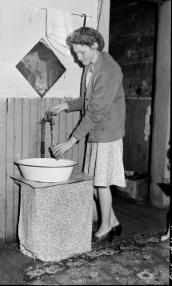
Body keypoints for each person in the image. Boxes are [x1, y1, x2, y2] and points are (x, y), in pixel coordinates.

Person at [48, 27, 126, 244]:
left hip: (108, 133)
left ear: (94, 47)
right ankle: (114, 222)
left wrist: (71, 140)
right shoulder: (91, 65)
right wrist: (66, 105)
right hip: (96, 131)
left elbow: (96, 110)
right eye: (75, 53)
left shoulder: (109, 70)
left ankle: (105, 226)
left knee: (101, 183)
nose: (78, 57)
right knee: (93, 181)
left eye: (81, 52)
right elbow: (87, 100)